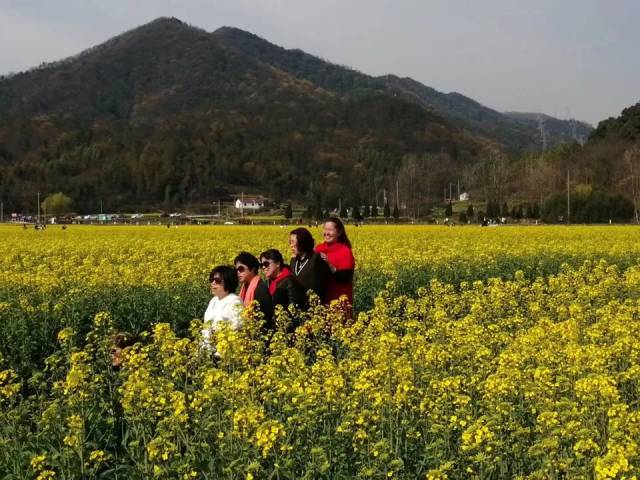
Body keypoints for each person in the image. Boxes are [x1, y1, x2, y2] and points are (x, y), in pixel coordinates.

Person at [315, 216, 356, 310]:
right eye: (325, 229)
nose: (326, 233)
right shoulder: (318, 249)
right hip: (321, 301)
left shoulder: (345, 251)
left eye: (330, 230)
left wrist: (330, 265)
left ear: (339, 232)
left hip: (339, 301)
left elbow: (345, 278)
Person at [202, 265, 243, 348]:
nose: (213, 283)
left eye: (217, 281)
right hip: (207, 350)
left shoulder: (234, 302)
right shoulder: (214, 300)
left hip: (224, 353)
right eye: (211, 280)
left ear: (228, 282)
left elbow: (238, 328)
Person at [289, 227, 330, 305]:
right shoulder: (293, 261)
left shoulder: (316, 259)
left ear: (302, 242)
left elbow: (321, 286)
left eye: (293, 242)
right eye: (290, 242)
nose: (291, 245)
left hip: (314, 307)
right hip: (297, 307)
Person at [234, 252, 274, 327]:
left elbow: (266, 319)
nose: (238, 273)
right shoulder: (245, 286)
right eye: (236, 270)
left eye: (241, 269)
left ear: (252, 268)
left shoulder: (260, 289)